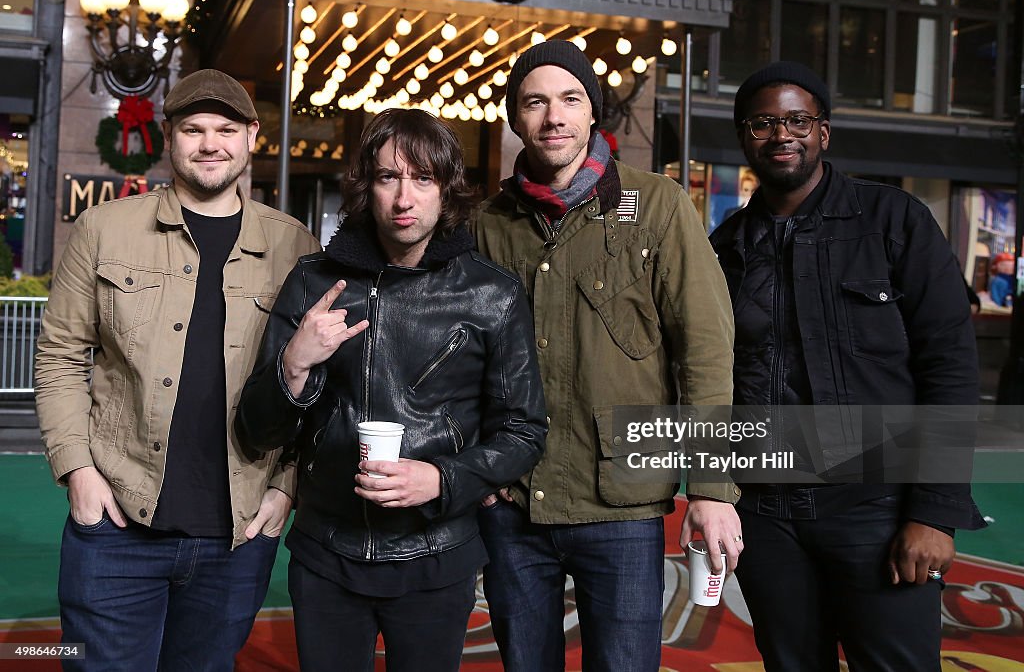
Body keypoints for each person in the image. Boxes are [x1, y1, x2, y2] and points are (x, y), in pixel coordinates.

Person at [234, 108, 547, 672]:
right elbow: (258, 431)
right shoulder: (314, 280)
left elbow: (524, 431)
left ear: (446, 191)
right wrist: (294, 364)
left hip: (437, 554)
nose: (405, 197)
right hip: (327, 549)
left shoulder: (491, 293)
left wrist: (442, 478)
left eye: (422, 179)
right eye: (388, 177)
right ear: (365, 188)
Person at [34, 69, 322, 671]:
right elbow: (60, 356)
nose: (209, 143)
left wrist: (285, 484)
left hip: (237, 536)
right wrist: (79, 472)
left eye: (225, 129)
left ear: (250, 139)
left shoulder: (294, 246)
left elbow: (316, 384)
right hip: (115, 524)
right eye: (193, 129)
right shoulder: (104, 230)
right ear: (170, 137)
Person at [709, 61, 986, 671]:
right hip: (766, 513)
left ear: (824, 132)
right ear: (744, 137)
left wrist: (934, 511)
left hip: (876, 508)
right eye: (763, 122)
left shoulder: (894, 221)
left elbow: (950, 367)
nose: (782, 134)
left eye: (798, 120)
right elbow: (709, 379)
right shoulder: (725, 249)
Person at [473, 40, 740, 672]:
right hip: (513, 502)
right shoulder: (487, 222)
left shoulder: (658, 205)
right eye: (534, 102)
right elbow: (463, 359)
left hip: (621, 500)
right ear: (515, 118)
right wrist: (473, 473)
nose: (554, 117)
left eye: (570, 99)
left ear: (593, 113)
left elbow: (703, 348)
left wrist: (709, 486)